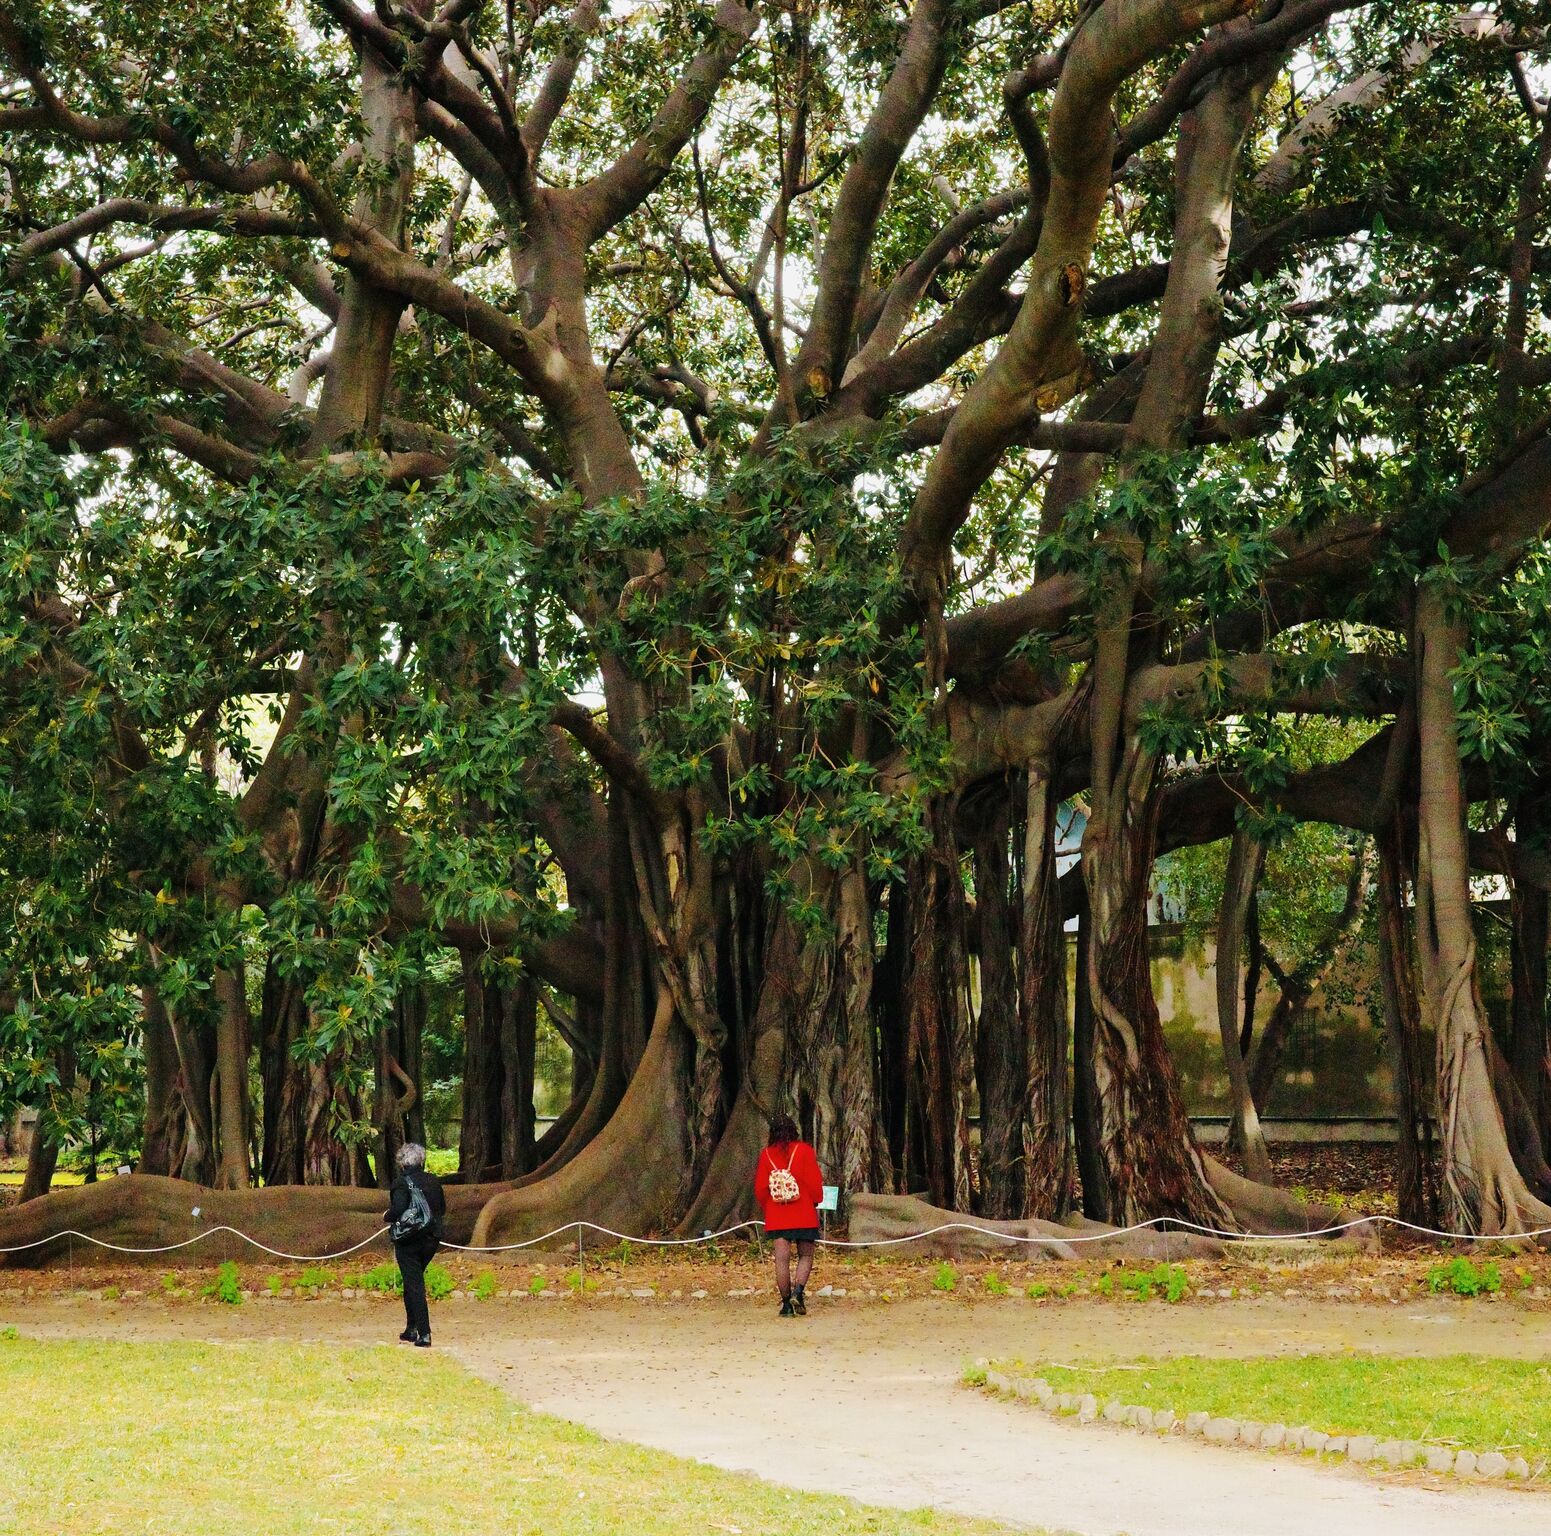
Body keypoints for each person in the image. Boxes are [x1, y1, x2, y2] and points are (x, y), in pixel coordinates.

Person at [753, 1113, 823, 1317]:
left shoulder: (766, 1155)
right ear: (794, 1130)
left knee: (781, 1260)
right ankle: (798, 1293)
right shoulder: (805, 1150)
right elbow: (814, 1182)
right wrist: (816, 1200)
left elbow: (760, 1188)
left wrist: (769, 1207)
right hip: (803, 1211)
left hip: (778, 1213)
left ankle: (786, 1305)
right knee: (806, 1255)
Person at [384, 1142, 446, 1347]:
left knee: (415, 1285)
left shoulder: (401, 1183)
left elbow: (398, 1209)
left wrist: (386, 1216)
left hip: (409, 1241)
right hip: (431, 1239)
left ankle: (424, 1333)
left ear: (402, 1163)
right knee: (412, 1283)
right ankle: (411, 1328)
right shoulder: (433, 1181)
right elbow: (441, 1208)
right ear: (421, 1161)